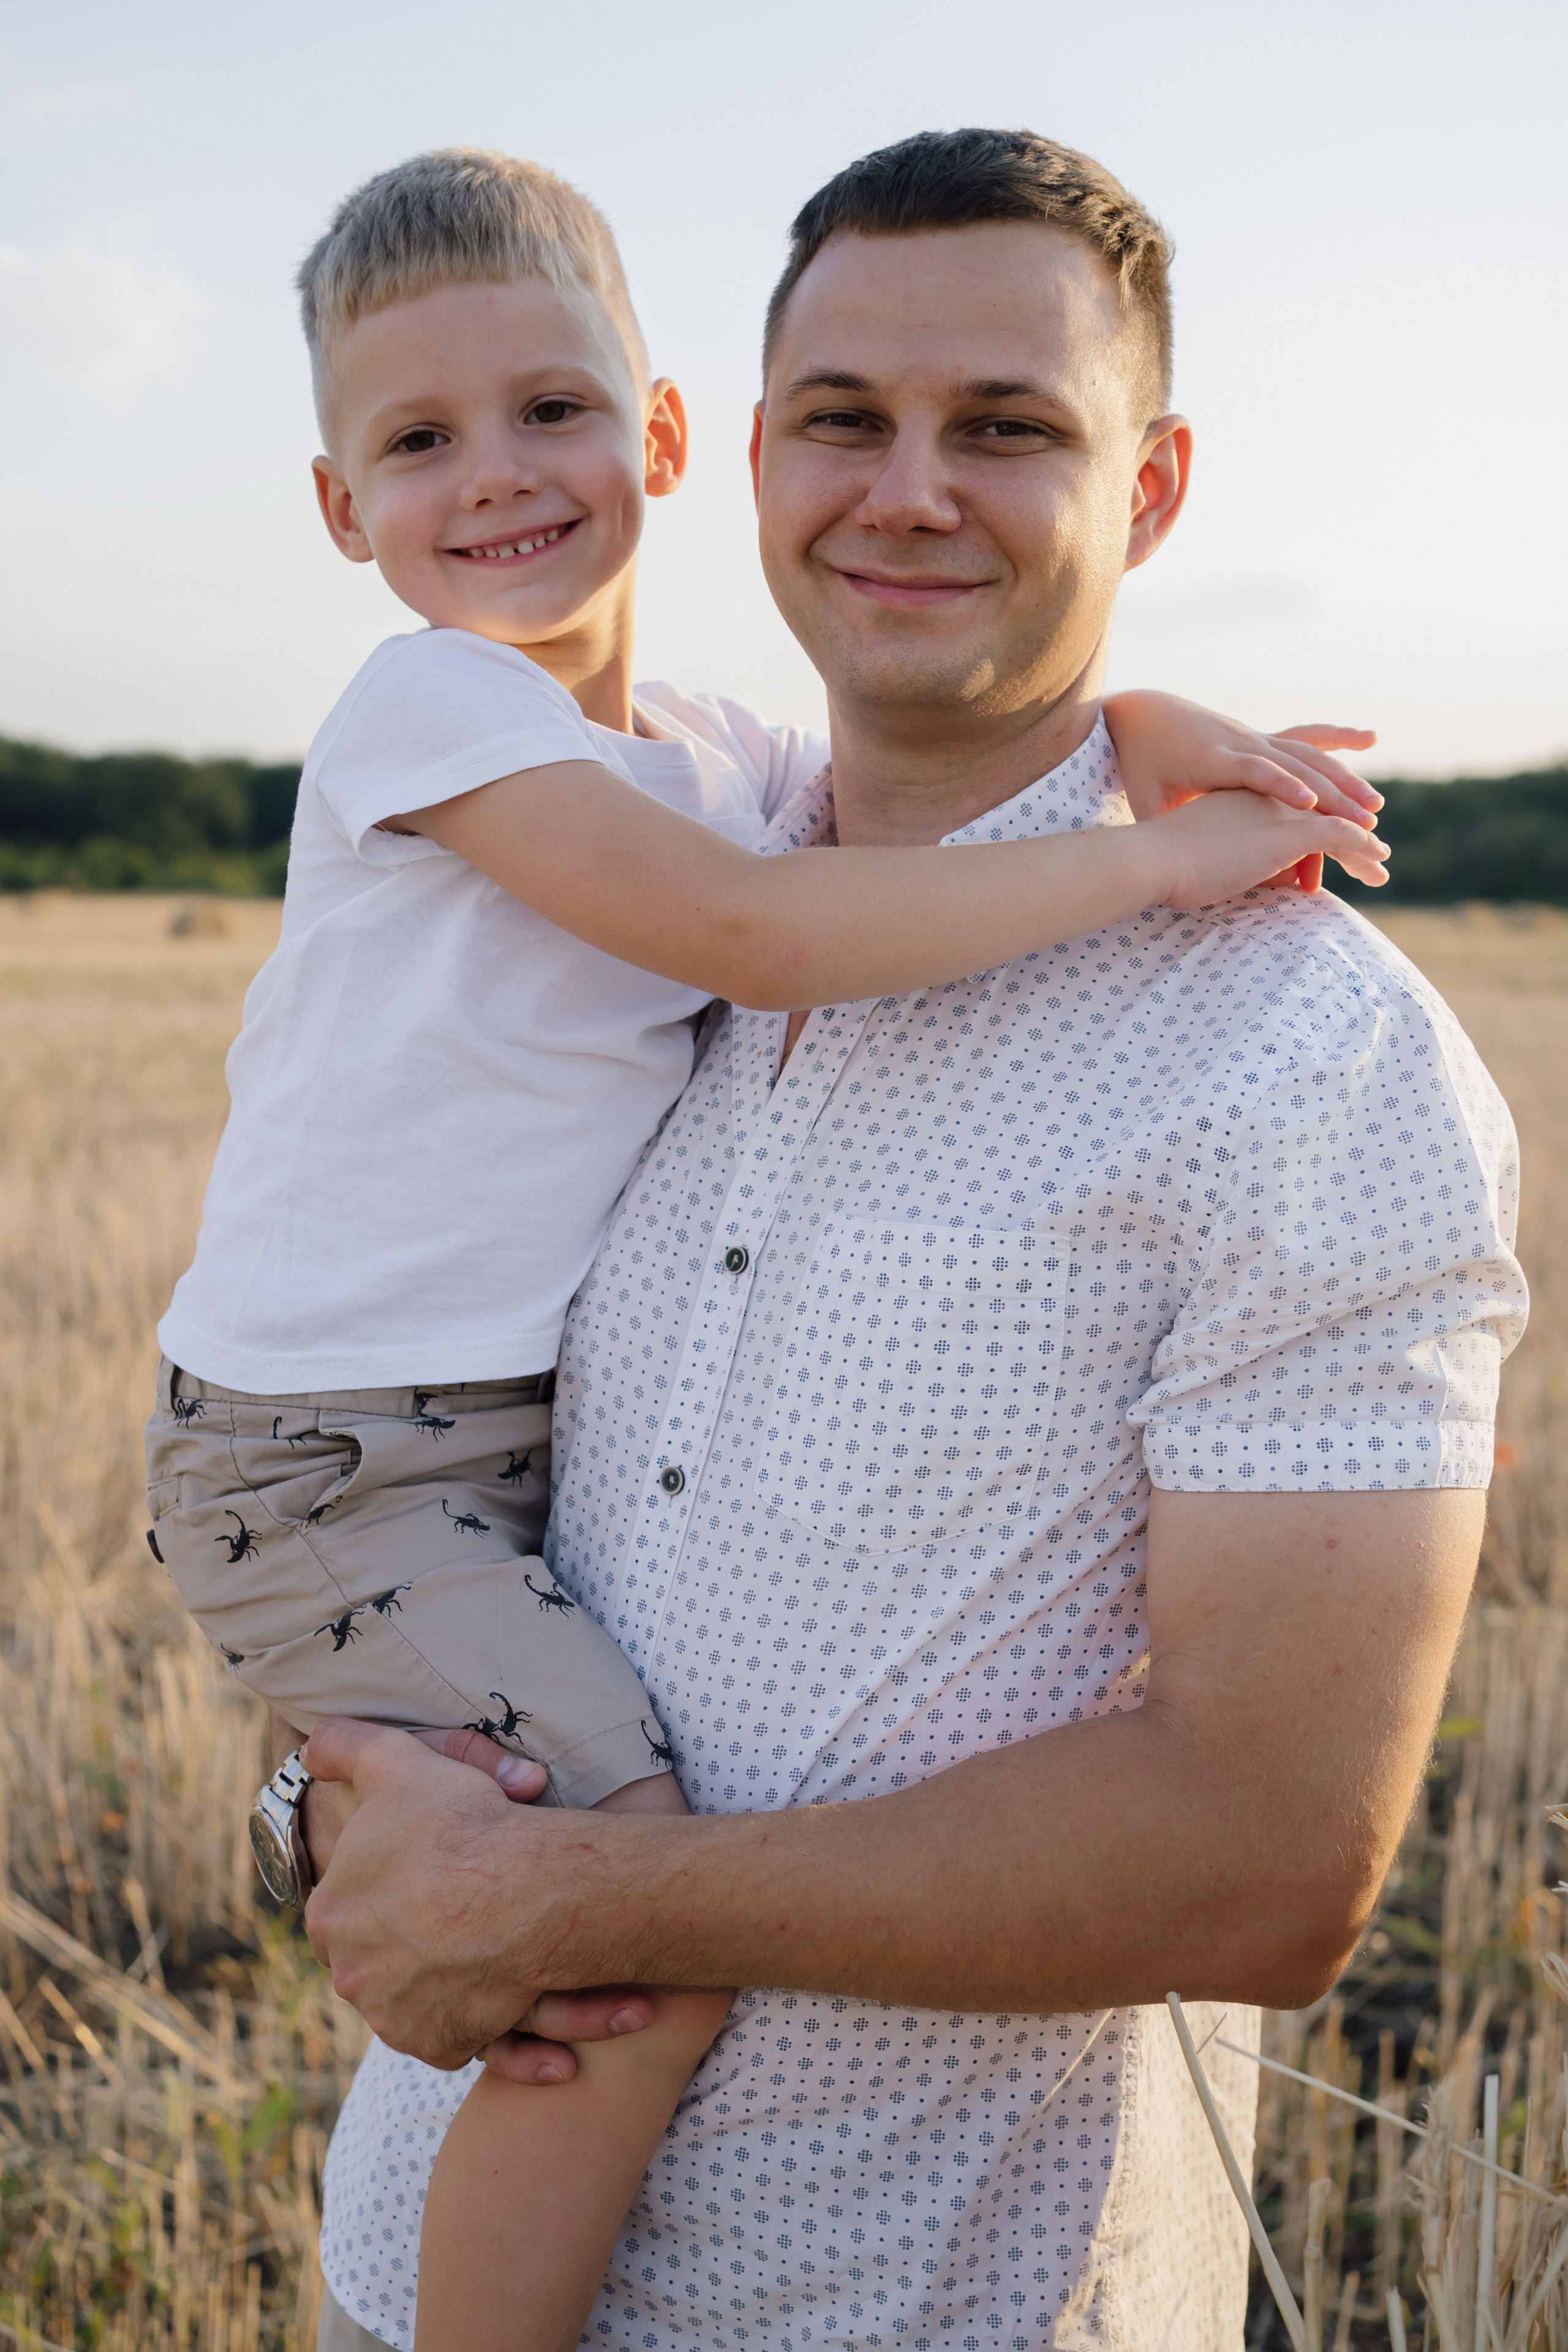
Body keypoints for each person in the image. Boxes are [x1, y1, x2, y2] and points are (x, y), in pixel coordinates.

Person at [155, 141, 1411, 2352]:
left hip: (910, 2297)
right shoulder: (618, 817)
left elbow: (1274, 1859)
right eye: (850, 418)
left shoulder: (1298, 1062)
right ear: (743, 452)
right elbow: (768, 931)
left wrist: (1135, 754)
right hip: (402, 2181)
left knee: (618, 1976)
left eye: (1011, 427)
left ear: (1156, 481)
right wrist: (318, 1804)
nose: (913, 490)